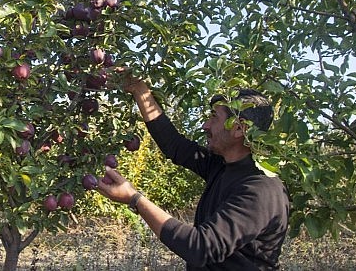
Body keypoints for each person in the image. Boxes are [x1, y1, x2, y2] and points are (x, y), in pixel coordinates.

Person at [97, 74, 289, 270]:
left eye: (214, 117)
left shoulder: (261, 189)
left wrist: (134, 199)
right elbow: (174, 145)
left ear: (239, 128)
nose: (205, 125)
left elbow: (200, 248)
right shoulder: (222, 166)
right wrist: (140, 90)